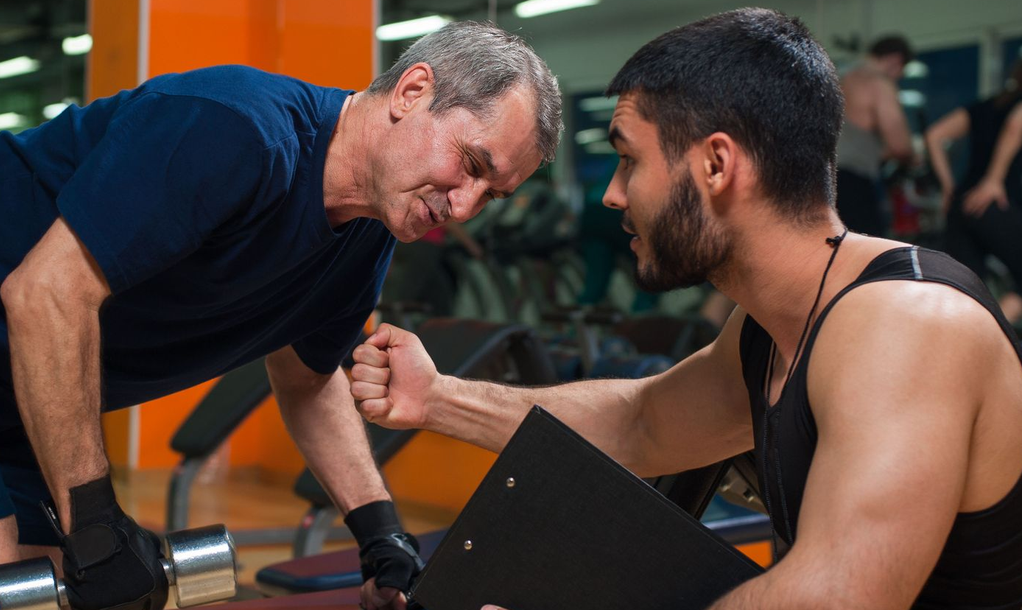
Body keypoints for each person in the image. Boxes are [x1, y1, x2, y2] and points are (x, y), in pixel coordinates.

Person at [0, 21, 561, 610]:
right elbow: (46, 293)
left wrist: (380, 535)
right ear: (413, 91)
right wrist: (94, 513)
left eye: (490, 197)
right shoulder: (235, 130)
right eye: (471, 166)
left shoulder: (362, 241)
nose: (464, 207)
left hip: (6, 351)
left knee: (22, 585)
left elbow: (308, 379)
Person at [352, 9, 1022, 608]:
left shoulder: (908, 322)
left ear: (715, 165)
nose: (613, 195)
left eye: (627, 159)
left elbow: (839, 595)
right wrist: (439, 399)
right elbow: (640, 423)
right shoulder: (773, 327)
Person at [926, 60, 1022, 323]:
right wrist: (993, 180)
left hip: (963, 203)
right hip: (995, 203)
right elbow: (1016, 124)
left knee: (964, 289)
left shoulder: (986, 107)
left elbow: (934, 135)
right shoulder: (1012, 110)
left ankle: (964, 344)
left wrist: (948, 188)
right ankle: (993, 337)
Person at [835, 34, 918, 236]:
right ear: (895, 61)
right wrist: (914, 157)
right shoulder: (879, 83)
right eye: (901, 72)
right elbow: (900, 145)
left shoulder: (839, 78)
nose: (898, 77)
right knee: (867, 254)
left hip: (821, 180)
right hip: (853, 180)